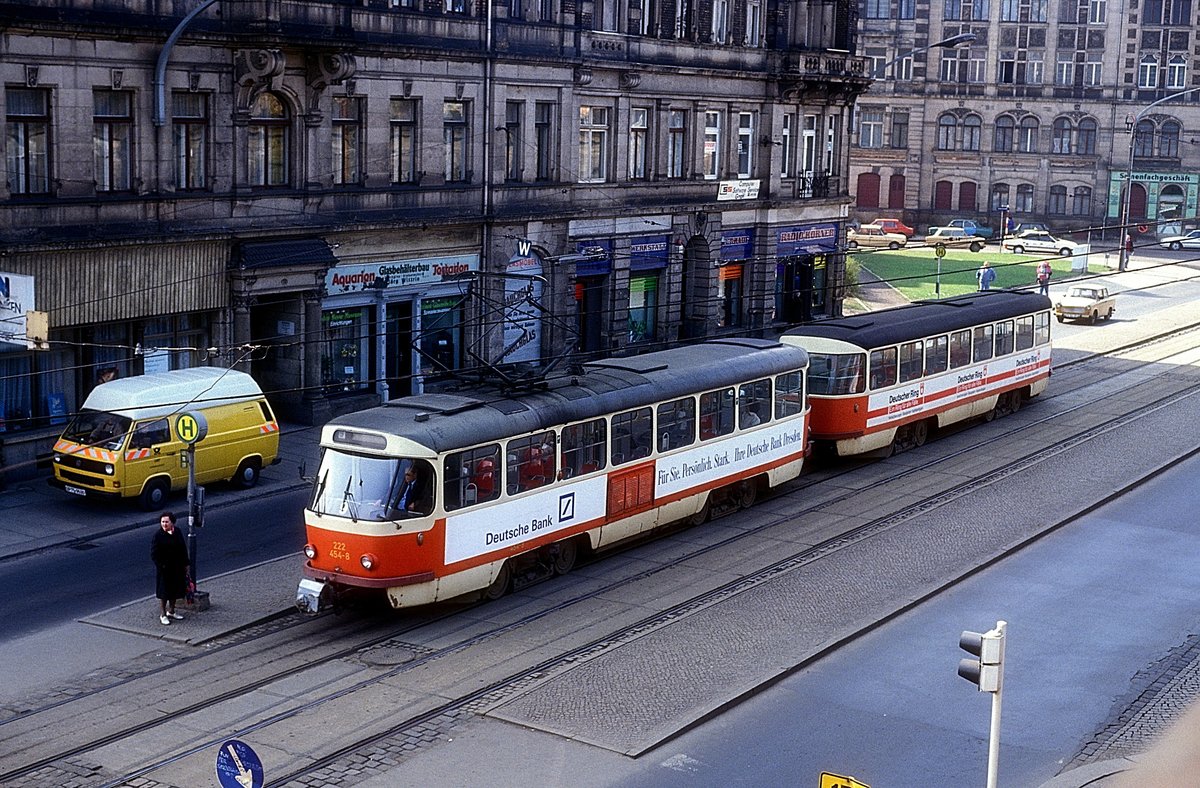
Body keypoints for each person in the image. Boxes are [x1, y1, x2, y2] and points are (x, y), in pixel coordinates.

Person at [150, 512, 189, 625]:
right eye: (162, 522)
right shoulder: (158, 535)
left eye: (166, 522)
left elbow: (183, 548)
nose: (164, 524)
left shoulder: (177, 532)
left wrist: (186, 564)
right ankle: (163, 614)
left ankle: (171, 611)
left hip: (177, 567)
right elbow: (154, 554)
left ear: (172, 522)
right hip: (165, 569)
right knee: (164, 592)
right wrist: (161, 566)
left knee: (175, 590)